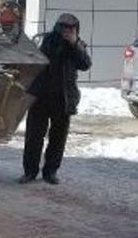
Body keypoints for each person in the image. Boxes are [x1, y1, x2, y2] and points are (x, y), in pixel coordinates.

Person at [21, 13, 91, 185]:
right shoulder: (45, 41)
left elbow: (85, 64)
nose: (66, 31)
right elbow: (32, 59)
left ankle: (50, 172)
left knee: (58, 139)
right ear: (57, 26)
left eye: (70, 28)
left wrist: (73, 44)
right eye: (63, 27)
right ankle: (30, 172)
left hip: (64, 98)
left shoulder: (78, 45)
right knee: (34, 137)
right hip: (41, 97)